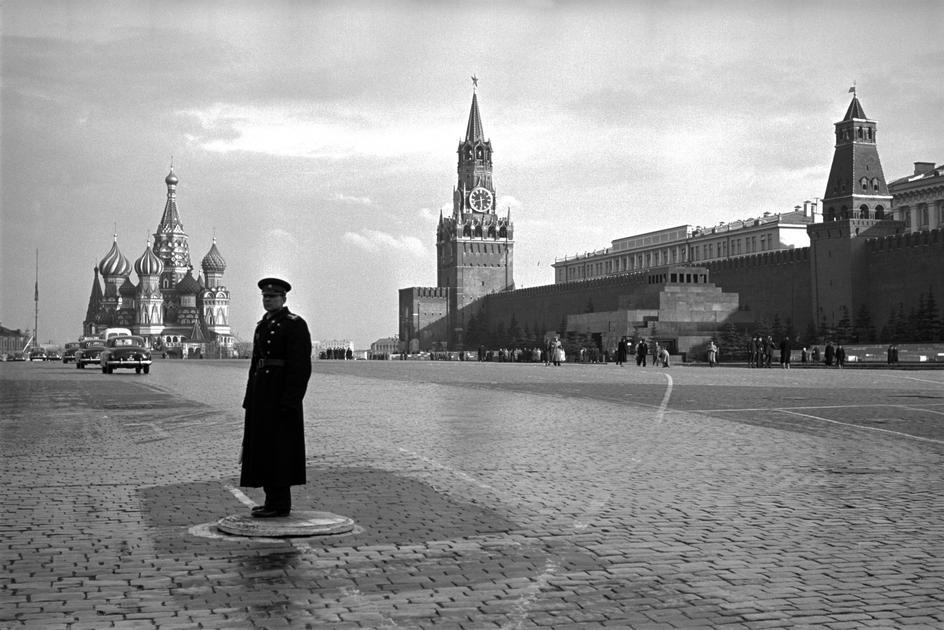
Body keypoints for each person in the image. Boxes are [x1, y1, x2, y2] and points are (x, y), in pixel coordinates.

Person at [240, 277, 312, 518]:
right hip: (262, 395)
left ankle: (281, 504)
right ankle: (270, 500)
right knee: (263, 448)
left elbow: (300, 367)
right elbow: (255, 365)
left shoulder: (294, 324)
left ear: (283, 298)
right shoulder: (262, 326)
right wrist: (250, 398)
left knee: (281, 450)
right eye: (265, 297)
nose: (267, 300)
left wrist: (291, 399)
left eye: (272, 297)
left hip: (281, 395)